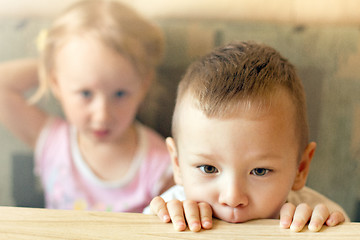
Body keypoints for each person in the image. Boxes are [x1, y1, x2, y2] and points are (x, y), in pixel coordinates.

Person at [146, 41, 349, 232]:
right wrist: (157, 228)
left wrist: (323, 233)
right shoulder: (170, 213)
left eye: (260, 171)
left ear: (300, 168)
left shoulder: (317, 218)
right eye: (208, 168)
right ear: (177, 163)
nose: (233, 197)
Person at [0, 0, 173, 212]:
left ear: (143, 86)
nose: (102, 115)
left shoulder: (161, 165)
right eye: (85, 93)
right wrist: (59, 65)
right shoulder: (52, 142)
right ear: (55, 83)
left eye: (120, 94)